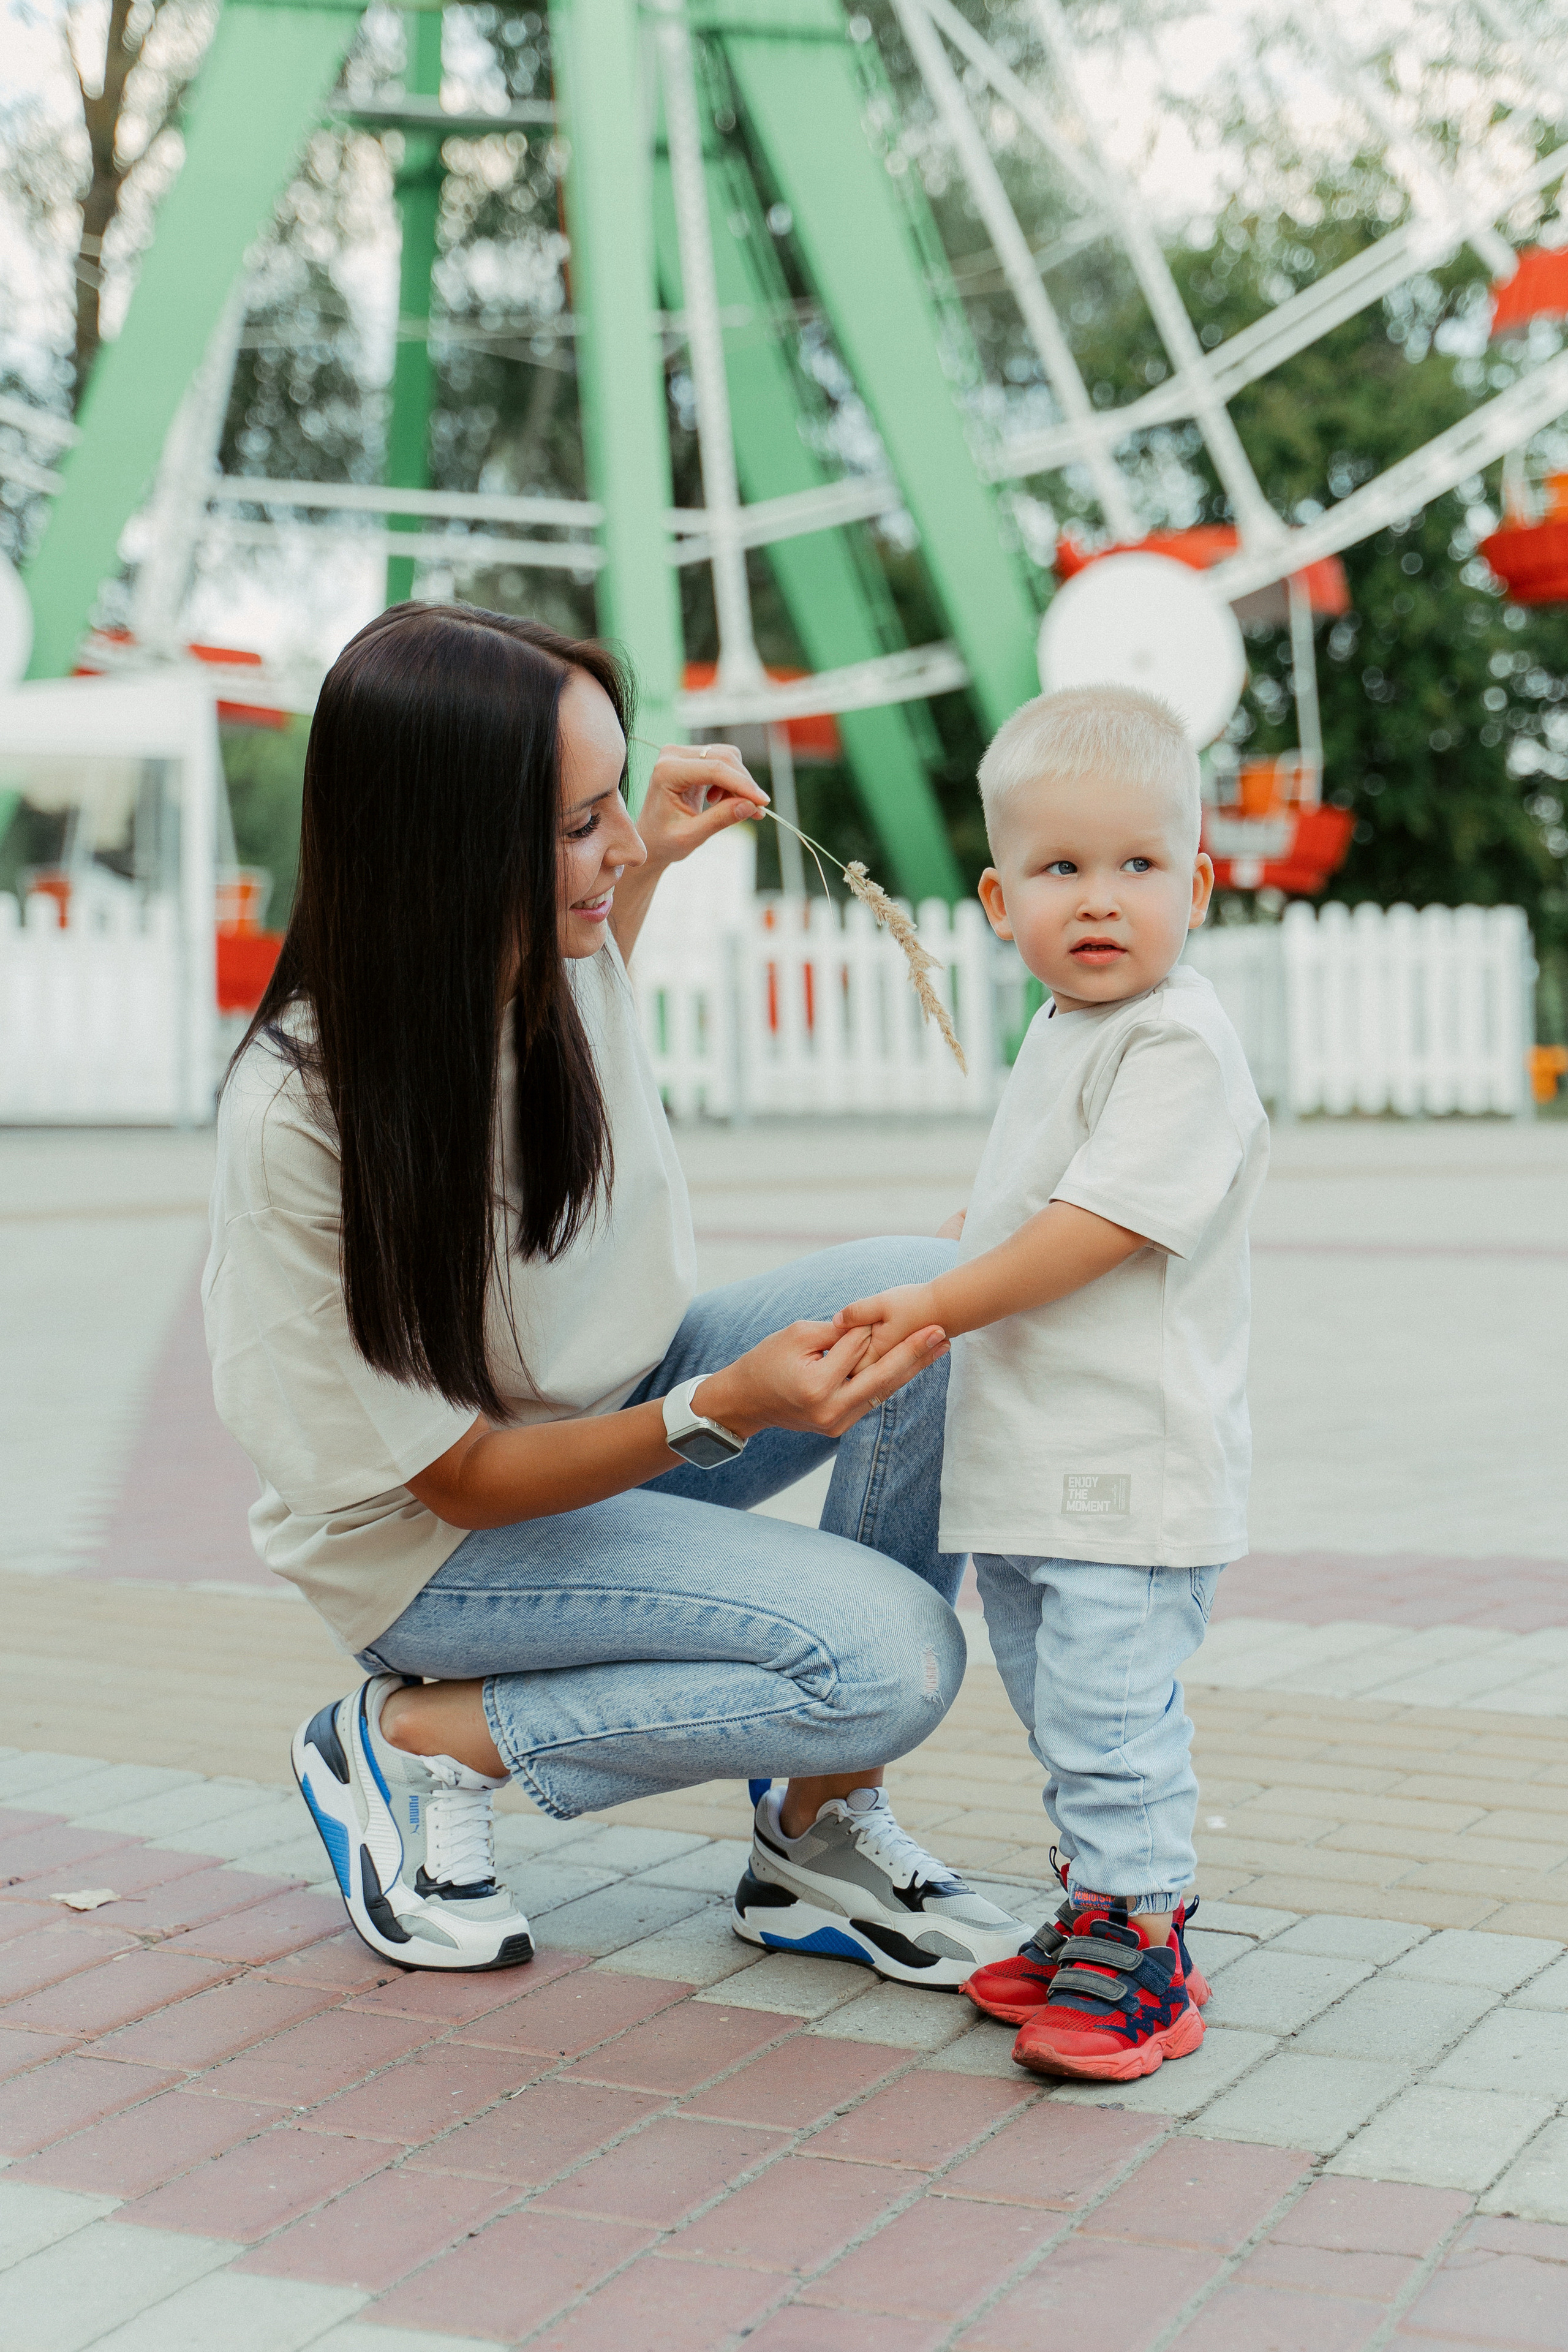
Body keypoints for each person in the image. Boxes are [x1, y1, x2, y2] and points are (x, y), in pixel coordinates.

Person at [203, 601, 1027, 1984]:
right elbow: (459, 1478)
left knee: (931, 1299)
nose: (627, 849)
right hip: (438, 1543)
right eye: (586, 824)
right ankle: (407, 1739)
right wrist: (720, 1408)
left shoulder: (537, 954)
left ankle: (813, 1839)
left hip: (602, 1412)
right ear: (455, 848)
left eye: (616, 805)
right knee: (889, 1665)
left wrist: (617, 861)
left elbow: (546, 1054)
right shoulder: (304, 1123)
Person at [834, 683, 1268, 2079]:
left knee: (1108, 1706)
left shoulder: (1177, 1040)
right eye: (1058, 870)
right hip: (1035, 1466)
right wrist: (963, 1251)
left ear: (1194, 884)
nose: (1099, 901)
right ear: (993, 896)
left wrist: (948, 1295)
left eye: (1136, 867)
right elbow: (1035, 1199)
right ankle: (1091, 1902)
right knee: (1057, 1700)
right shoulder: (1064, 1029)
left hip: (1122, 1471)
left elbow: (1102, 1227)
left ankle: (1143, 1942)